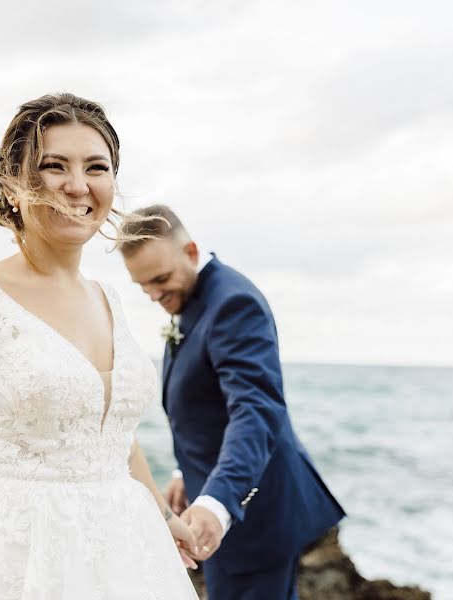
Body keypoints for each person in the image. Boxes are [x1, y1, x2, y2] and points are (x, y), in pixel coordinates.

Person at [0, 95, 200, 600]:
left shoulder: (108, 298)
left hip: (128, 554)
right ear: (11, 184)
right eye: (53, 166)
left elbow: (109, 433)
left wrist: (162, 512)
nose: (77, 185)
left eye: (96, 167)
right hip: (18, 560)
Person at [119, 205, 346, 600]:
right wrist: (182, 469)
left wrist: (216, 501)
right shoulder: (191, 298)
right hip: (222, 504)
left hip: (255, 517)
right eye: (144, 287)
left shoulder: (232, 304)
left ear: (190, 252)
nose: (155, 295)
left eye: (160, 279)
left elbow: (256, 411)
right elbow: (206, 402)